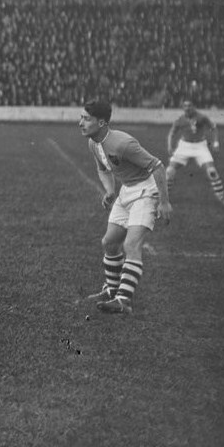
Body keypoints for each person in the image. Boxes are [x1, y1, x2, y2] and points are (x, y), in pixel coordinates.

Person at [80, 99, 172, 314]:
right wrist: (110, 190)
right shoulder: (93, 143)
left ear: (101, 123)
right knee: (110, 242)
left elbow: (158, 166)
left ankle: (123, 300)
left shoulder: (123, 143)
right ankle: (112, 291)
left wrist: (164, 202)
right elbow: (103, 169)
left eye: (86, 119)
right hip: (126, 191)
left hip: (146, 191)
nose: (80, 123)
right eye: (81, 118)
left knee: (131, 244)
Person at [166, 100, 224, 205]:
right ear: (183, 108)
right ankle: (164, 198)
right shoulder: (180, 120)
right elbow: (172, 133)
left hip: (200, 146)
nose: (187, 108)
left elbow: (213, 128)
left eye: (189, 105)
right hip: (184, 146)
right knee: (169, 171)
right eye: (185, 106)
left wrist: (216, 142)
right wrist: (169, 146)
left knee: (212, 171)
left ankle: (221, 198)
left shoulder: (202, 117)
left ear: (193, 106)